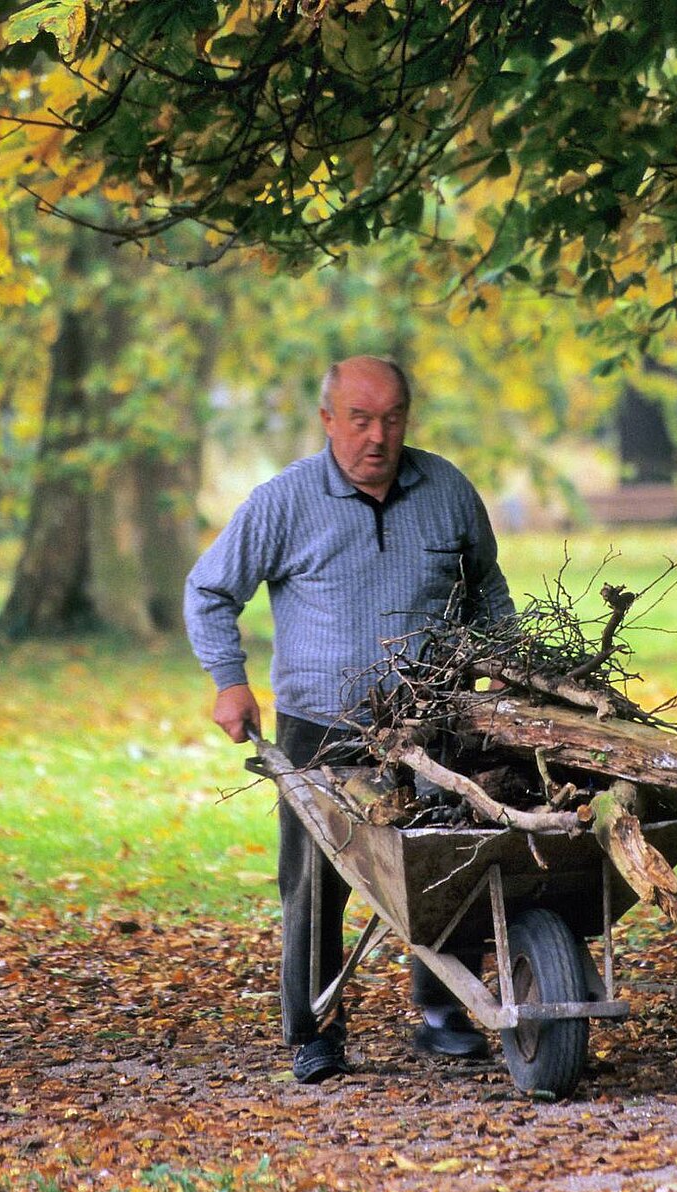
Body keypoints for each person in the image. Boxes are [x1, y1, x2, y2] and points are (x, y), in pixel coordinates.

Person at [183, 355, 514, 1083]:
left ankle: (446, 1013)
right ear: (328, 419)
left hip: (436, 719)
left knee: (450, 860)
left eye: (391, 419)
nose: (377, 437)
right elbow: (209, 591)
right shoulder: (284, 501)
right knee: (314, 881)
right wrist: (229, 682)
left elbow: (486, 586)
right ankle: (315, 1031)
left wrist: (506, 662)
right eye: (359, 420)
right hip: (323, 726)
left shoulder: (448, 491)